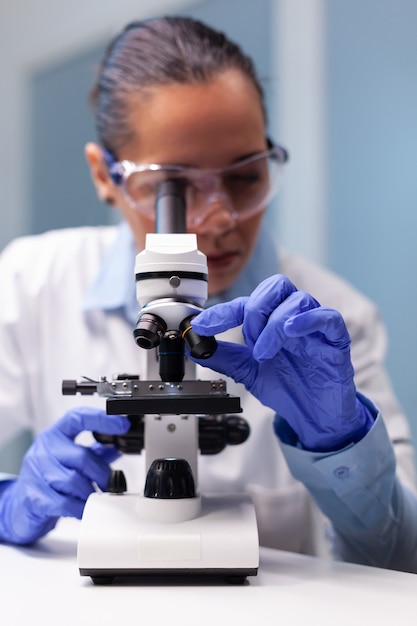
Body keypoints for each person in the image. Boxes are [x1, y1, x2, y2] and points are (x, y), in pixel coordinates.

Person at [0, 16, 416, 572]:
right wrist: (8, 504)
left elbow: (403, 561)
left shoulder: (332, 321)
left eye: (245, 177)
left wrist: (341, 444)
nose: (219, 219)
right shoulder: (32, 281)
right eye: (173, 185)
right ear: (106, 176)